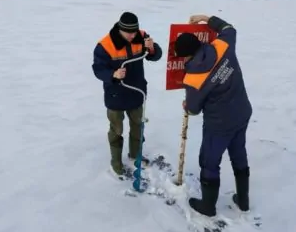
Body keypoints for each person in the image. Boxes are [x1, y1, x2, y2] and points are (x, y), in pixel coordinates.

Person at [174, 14, 252, 217]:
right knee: (239, 154)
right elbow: (229, 28)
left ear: (186, 56)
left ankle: (208, 207)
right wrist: (206, 18)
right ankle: (243, 201)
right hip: (242, 112)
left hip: (218, 124)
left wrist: (187, 104)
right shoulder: (221, 45)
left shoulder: (193, 78)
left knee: (209, 162)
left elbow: (192, 109)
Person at [92, 12, 163, 176]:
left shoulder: (141, 36)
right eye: (128, 33)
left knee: (138, 126)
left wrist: (152, 49)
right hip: (115, 94)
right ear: (120, 29)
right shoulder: (105, 45)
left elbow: (155, 55)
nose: (132, 36)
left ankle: (135, 155)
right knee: (117, 130)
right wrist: (113, 75)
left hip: (136, 92)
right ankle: (116, 162)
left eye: (134, 32)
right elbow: (98, 69)